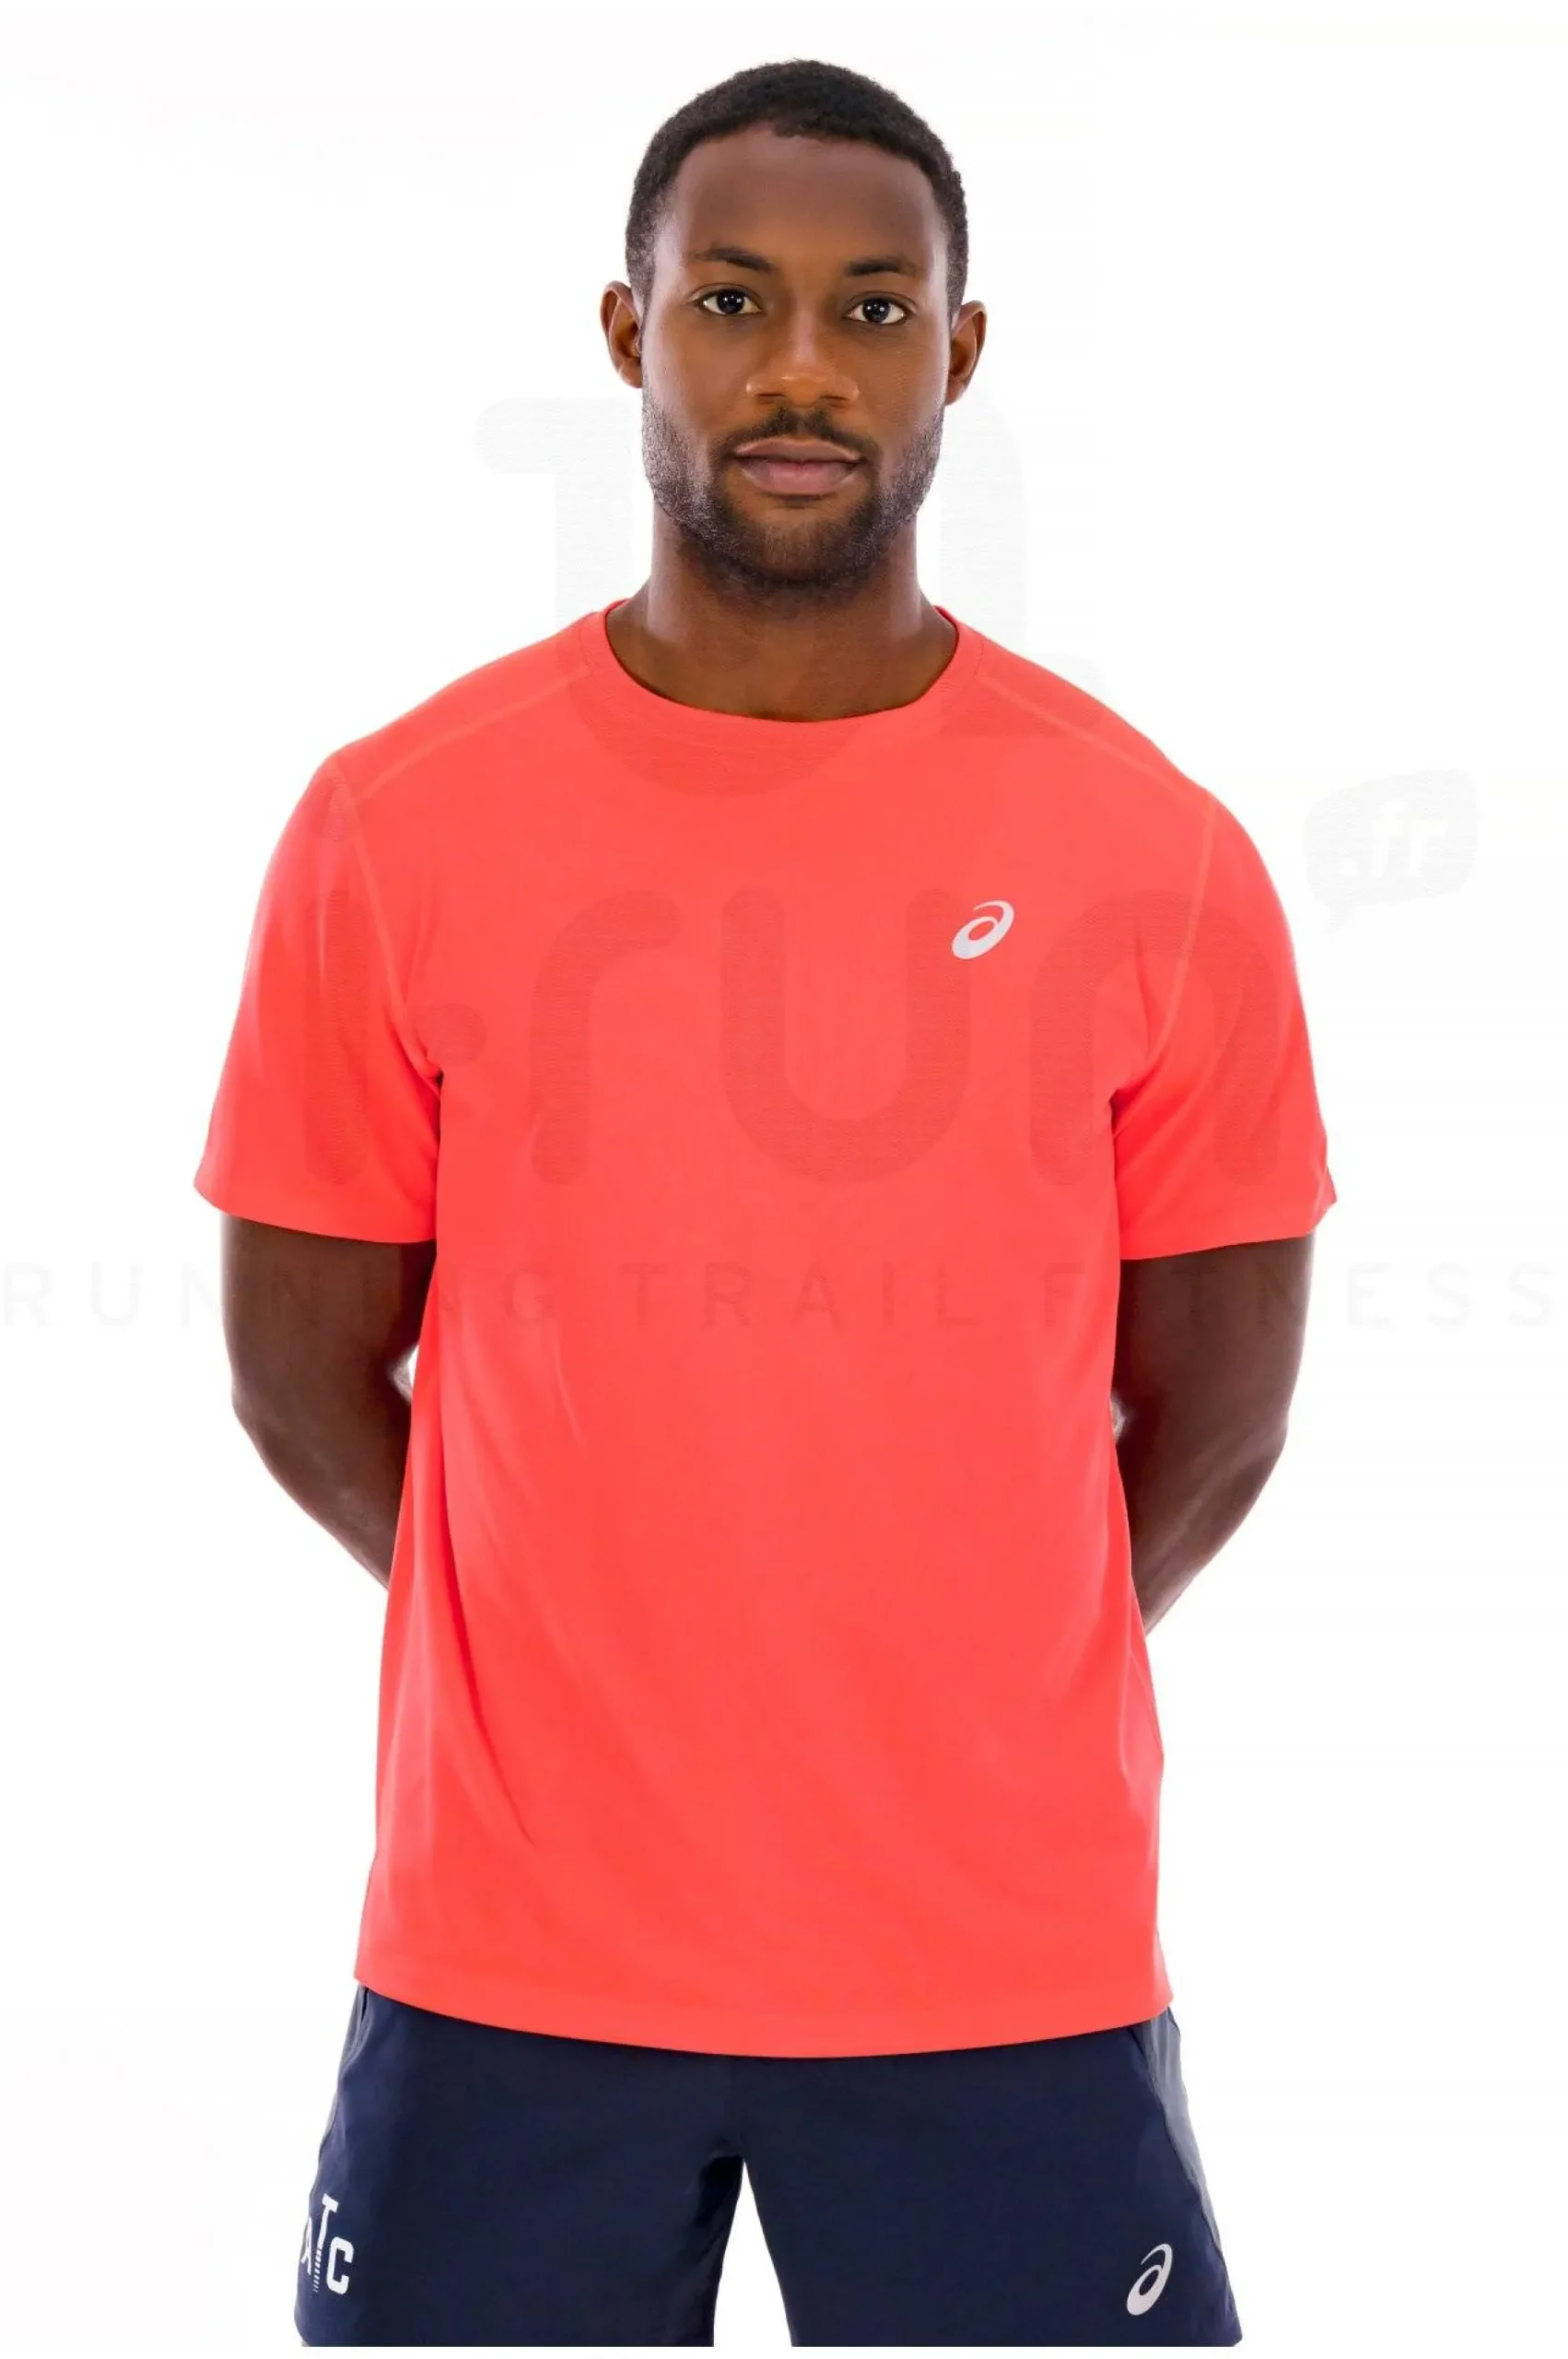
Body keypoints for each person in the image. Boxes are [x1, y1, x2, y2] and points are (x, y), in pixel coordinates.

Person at [195, 56, 1336, 2349]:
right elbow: (299, 1371)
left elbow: (1212, 1418)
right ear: (630, 332)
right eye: (730, 300)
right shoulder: (395, 823)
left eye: (869, 309)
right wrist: (579, 1636)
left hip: (995, 1954)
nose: (800, 367)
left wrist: (948, 1665)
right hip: (510, 1951)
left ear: (957, 351)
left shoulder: (1155, 853)